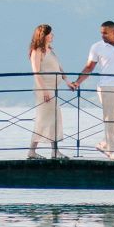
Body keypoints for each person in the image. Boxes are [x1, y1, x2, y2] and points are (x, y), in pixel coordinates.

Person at [70, 20, 114, 160]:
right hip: (107, 86)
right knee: (110, 118)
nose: (102, 35)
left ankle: (104, 143)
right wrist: (78, 82)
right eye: (101, 33)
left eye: (105, 33)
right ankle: (112, 149)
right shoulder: (97, 47)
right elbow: (89, 67)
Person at [27, 24, 69, 159]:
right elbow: (36, 72)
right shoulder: (37, 51)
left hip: (53, 89)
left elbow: (59, 67)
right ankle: (33, 151)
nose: (52, 36)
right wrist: (44, 90)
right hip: (45, 90)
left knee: (54, 119)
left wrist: (67, 81)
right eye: (50, 34)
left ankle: (53, 151)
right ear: (43, 35)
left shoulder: (49, 50)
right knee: (44, 119)